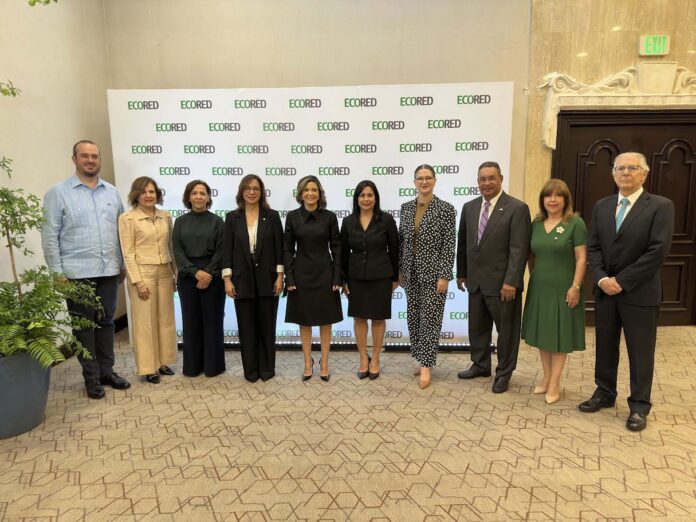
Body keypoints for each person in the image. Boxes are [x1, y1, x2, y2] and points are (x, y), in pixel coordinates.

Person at [578, 152, 674, 432]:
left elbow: (658, 251)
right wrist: (601, 278)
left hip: (639, 293)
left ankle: (639, 406)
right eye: (620, 168)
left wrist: (621, 280)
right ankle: (605, 393)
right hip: (606, 292)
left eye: (633, 168)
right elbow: (593, 247)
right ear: (613, 174)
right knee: (605, 346)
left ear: (645, 173)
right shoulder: (602, 206)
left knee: (640, 352)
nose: (626, 173)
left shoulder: (660, 206)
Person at [41, 140, 131, 399]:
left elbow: (122, 232)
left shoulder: (112, 192)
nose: (90, 160)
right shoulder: (58, 193)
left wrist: (122, 264)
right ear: (74, 159)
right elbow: (49, 235)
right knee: (83, 327)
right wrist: (57, 272)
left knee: (106, 323)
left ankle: (107, 372)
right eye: (85, 156)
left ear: (99, 160)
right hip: (76, 274)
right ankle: (91, 377)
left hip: (109, 271)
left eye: (94, 156)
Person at [456, 161, 531, 393]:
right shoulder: (469, 207)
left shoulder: (517, 208)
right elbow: (464, 243)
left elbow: (519, 249)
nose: (486, 183)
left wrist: (512, 281)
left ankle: (504, 373)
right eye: (482, 179)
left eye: (491, 178)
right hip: (475, 281)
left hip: (503, 284)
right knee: (477, 327)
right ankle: (480, 365)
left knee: (506, 331)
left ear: (501, 179)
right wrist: (462, 273)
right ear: (477, 181)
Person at [521, 179, 587, 404]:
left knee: (559, 335)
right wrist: (535, 276)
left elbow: (581, 258)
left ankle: (555, 382)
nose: (552, 200)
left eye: (558, 195)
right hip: (540, 287)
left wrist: (575, 287)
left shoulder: (575, 223)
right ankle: (546, 376)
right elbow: (531, 256)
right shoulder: (536, 223)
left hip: (565, 288)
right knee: (543, 334)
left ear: (565, 199)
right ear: (542, 200)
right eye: (548, 196)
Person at [399, 164, 456, 389]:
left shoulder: (446, 209)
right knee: (414, 317)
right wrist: (400, 270)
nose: (424, 181)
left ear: (435, 180)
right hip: (410, 272)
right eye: (420, 178)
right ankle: (419, 356)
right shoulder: (406, 208)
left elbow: (449, 244)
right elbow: (402, 241)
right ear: (414, 182)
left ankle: (426, 365)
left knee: (430, 319)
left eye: (428, 178)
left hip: (434, 274)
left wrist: (444, 275)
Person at [222, 174, 284, 382]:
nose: (251, 192)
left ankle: (267, 369)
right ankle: (250, 370)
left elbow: (279, 248)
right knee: (247, 328)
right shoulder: (232, 217)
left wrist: (280, 276)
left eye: (256, 188)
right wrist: (227, 279)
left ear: (261, 192)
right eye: (247, 188)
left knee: (267, 326)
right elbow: (227, 251)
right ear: (241, 192)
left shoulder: (272, 216)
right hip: (241, 280)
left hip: (268, 278)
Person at [118, 176, 177, 384]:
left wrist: (175, 272)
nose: (148, 195)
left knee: (165, 318)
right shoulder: (128, 218)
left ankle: (163, 362)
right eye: (144, 192)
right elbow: (128, 253)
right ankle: (148, 367)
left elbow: (171, 246)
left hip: (165, 272)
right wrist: (138, 281)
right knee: (145, 323)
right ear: (136, 195)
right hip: (143, 274)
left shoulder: (165, 216)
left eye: (152, 191)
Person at [284, 175, 342, 382]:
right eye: (306, 190)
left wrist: (337, 277)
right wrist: (289, 277)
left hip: (325, 273)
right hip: (301, 274)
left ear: (319, 193)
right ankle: (307, 362)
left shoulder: (329, 217)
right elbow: (287, 249)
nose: (310, 193)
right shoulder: (292, 217)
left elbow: (337, 248)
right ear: (301, 194)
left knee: (326, 320)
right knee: (304, 320)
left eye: (314, 190)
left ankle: (324, 362)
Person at [341, 180, 399, 380]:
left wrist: (395, 277)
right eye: (362, 195)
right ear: (357, 198)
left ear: (376, 198)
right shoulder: (348, 222)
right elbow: (343, 253)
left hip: (381, 276)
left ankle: (375, 359)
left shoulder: (387, 220)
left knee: (378, 318)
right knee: (359, 318)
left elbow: (394, 250)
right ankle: (363, 359)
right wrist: (343, 279)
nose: (366, 199)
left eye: (370, 195)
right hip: (355, 277)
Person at [172, 180, 226, 378]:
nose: (198, 197)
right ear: (188, 197)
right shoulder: (180, 222)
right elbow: (177, 251)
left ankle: (213, 366)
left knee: (213, 321)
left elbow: (222, 250)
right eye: (194, 193)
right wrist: (196, 272)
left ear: (208, 197)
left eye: (202, 193)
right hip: (188, 277)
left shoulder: (217, 221)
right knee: (191, 322)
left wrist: (208, 273)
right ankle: (192, 367)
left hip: (214, 278)